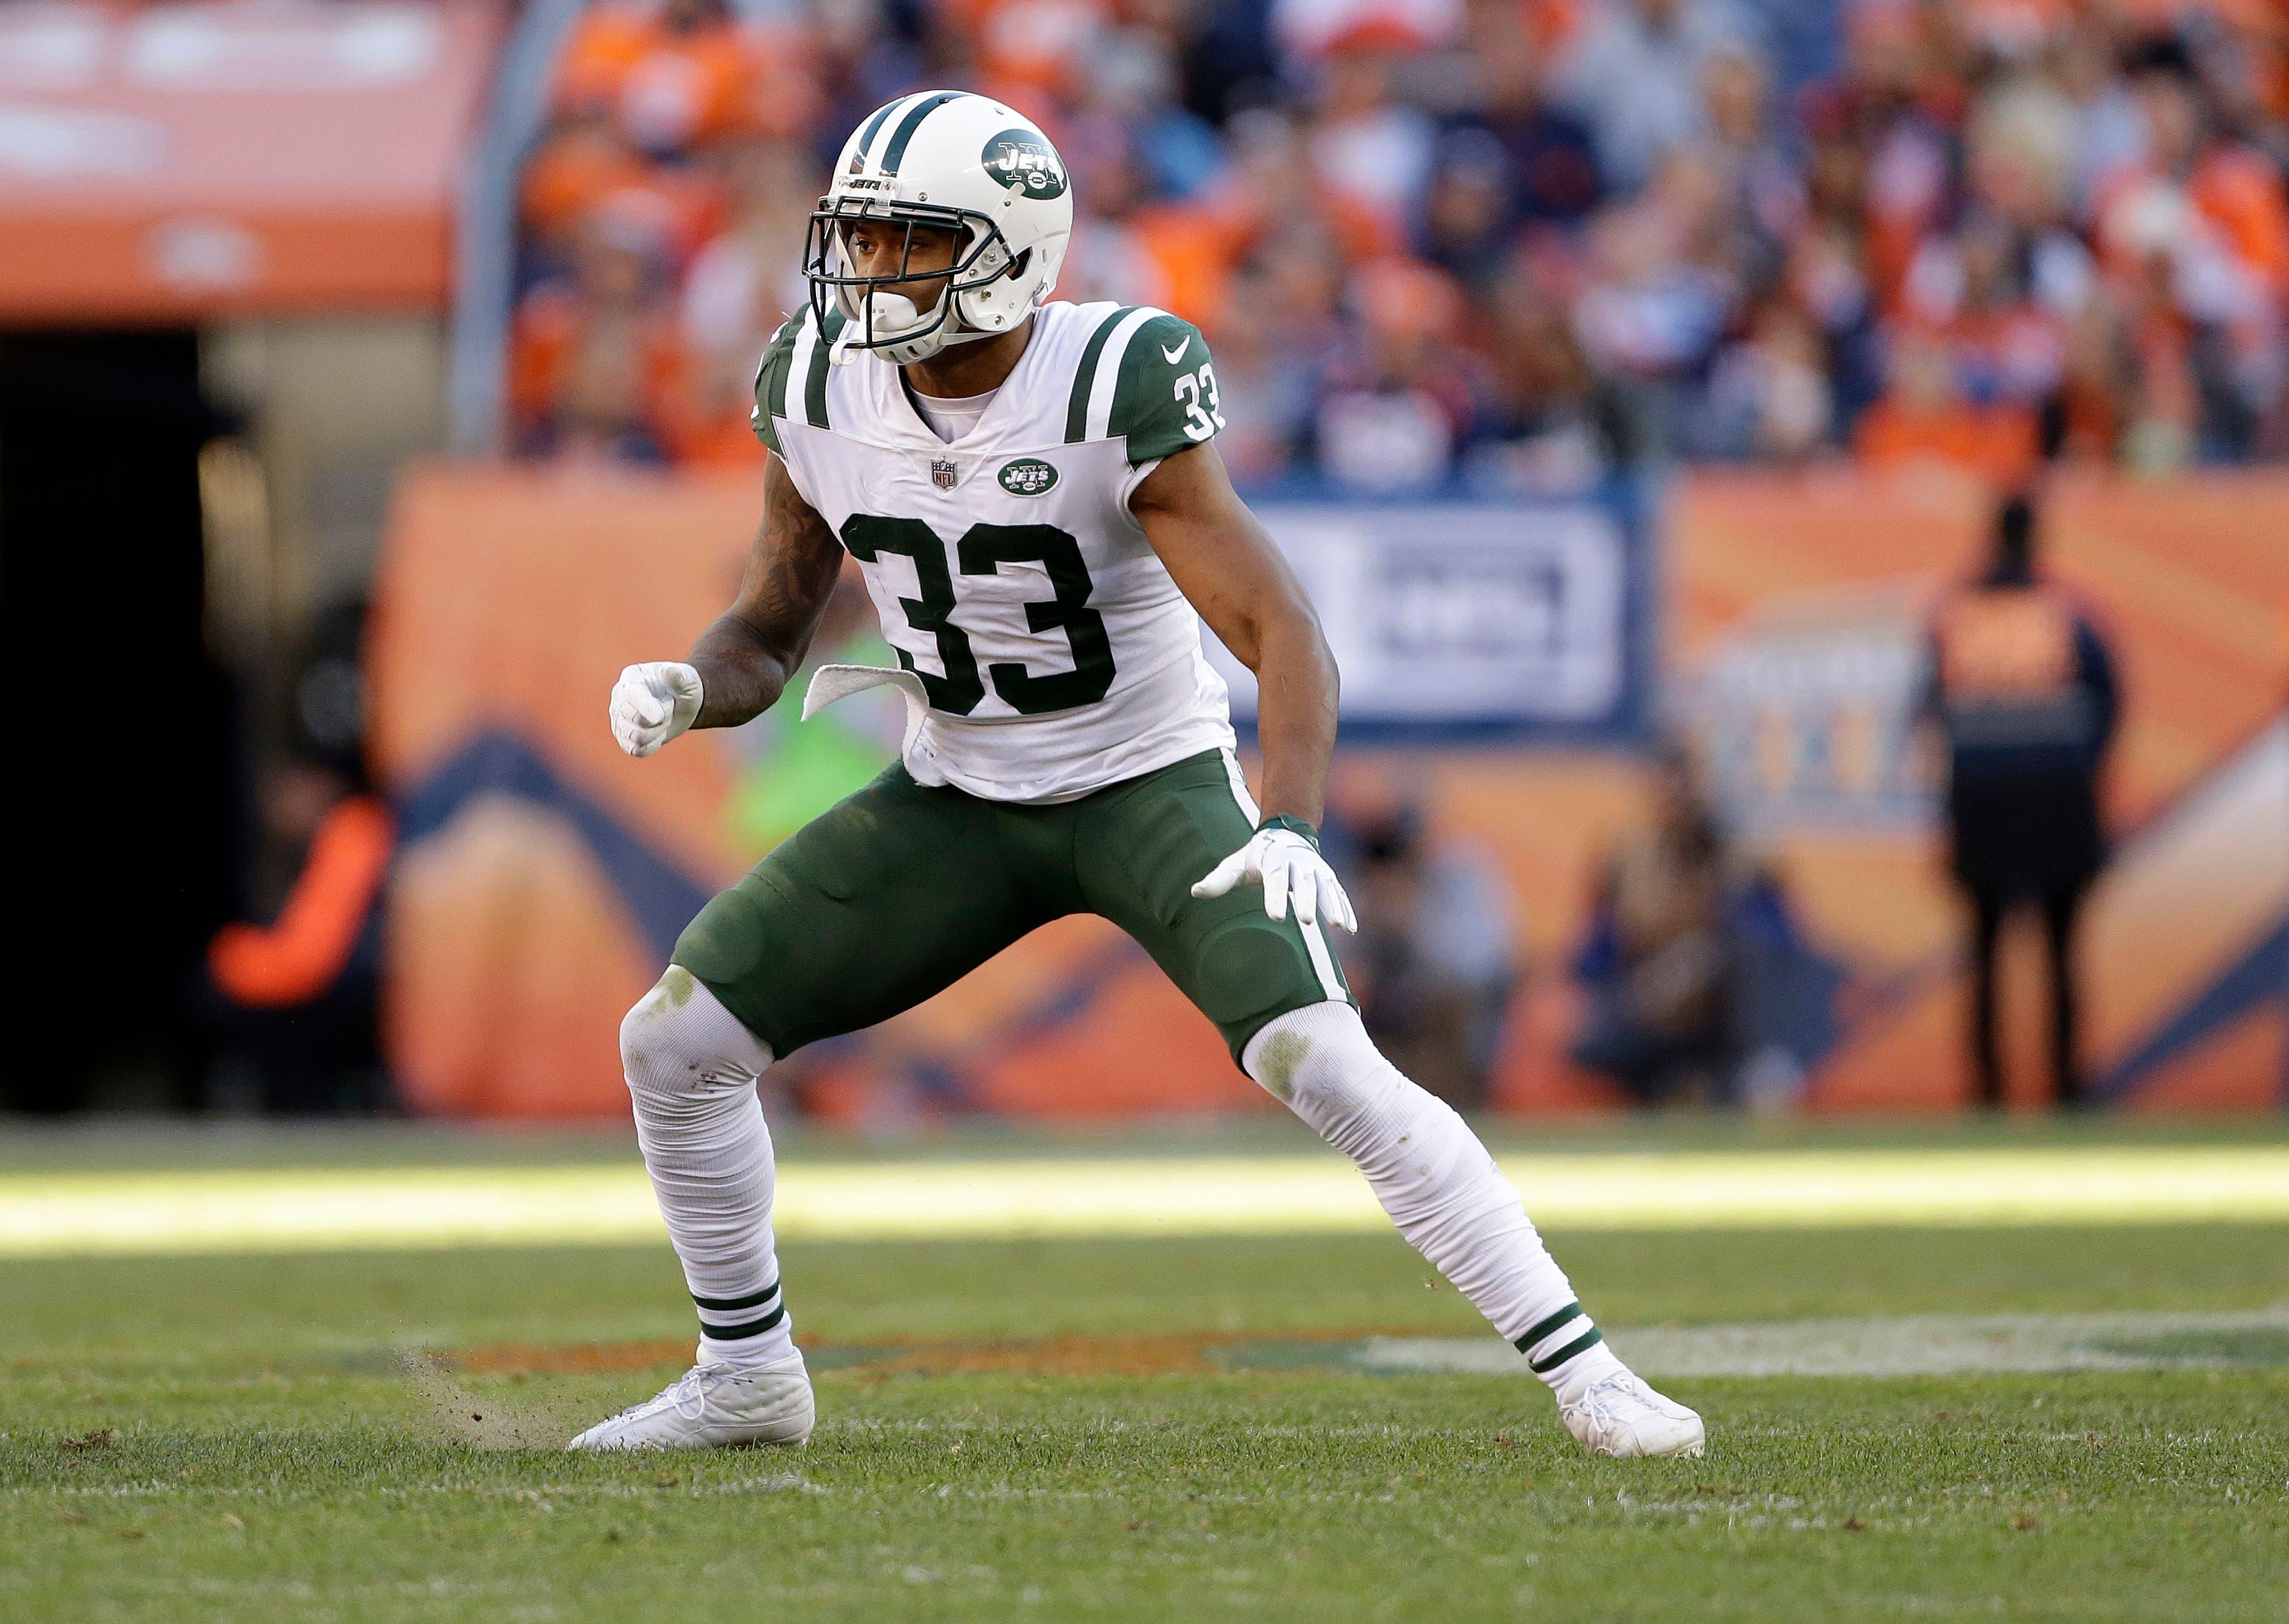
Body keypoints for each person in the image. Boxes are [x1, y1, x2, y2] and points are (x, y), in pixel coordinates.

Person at [575, 93, 1703, 1459]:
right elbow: (771, 628)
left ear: (1008, 254)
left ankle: (1588, 1373)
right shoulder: (816, 381)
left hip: (1142, 783)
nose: (867, 275)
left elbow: (1281, 628)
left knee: (1321, 1056)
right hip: (960, 794)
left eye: (907, 245)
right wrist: (693, 685)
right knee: (675, 1043)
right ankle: (746, 1378)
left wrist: (1286, 818)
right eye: (860, 241)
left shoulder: (1111, 380)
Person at [1926, 492, 2118, 1109]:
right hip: (2057, 804)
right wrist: (2079, 771)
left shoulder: (1957, 615)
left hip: (1981, 804)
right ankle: (2066, 1087)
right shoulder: (2064, 612)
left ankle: (1986, 1092)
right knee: (2060, 956)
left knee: (1982, 957)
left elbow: (1926, 709)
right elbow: (2109, 699)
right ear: (2035, 539)